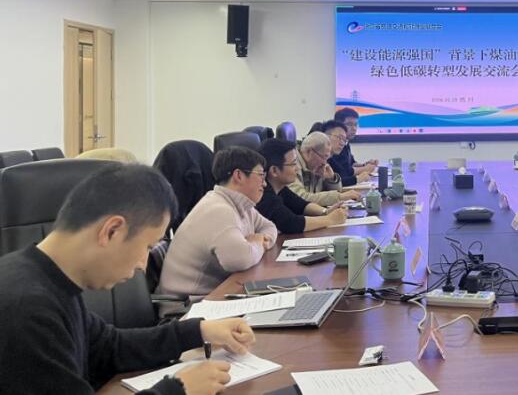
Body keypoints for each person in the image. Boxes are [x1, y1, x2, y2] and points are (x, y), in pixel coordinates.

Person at [0, 163, 255, 395]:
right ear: (111, 231)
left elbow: (110, 347)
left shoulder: (52, 281)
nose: (143, 265)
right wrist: (178, 390)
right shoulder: (26, 309)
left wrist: (198, 331)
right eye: (148, 246)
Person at [159, 147, 278, 297]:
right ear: (239, 175)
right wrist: (258, 242)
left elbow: (269, 227)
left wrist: (256, 242)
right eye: (260, 175)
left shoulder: (242, 206)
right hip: (188, 304)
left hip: (214, 295)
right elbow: (239, 260)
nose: (265, 183)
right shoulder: (218, 209)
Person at [256, 138, 348, 233]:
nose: (297, 168)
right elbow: (291, 223)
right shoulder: (263, 194)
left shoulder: (280, 188)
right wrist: (330, 219)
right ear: (274, 171)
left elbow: (302, 205)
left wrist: (326, 212)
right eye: (293, 164)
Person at [289, 132, 362, 206]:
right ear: (309, 152)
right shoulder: (291, 164)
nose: (325, 163)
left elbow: (333, 192)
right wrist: (339, 197)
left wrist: (331, 179)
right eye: (324, 157)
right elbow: (300, 199)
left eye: (327, 158)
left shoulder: (315, 165)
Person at [323, 120, 373, 186]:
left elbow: (342, 175)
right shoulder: (319, 158)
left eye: (344, 140)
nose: (342, 143)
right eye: (339, 138)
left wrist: (364, 165)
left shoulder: (330, 158)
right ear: (326, 136)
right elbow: (326, 186)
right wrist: (357, 179)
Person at [331, 107, 378, 178]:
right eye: (349, 124)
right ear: (338, 125)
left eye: (355, 125)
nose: (354, 128)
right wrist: (365, 169)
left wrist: (365, 164)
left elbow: (351, 163)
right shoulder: (336, 145)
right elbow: (345, 171)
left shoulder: (346, 142)